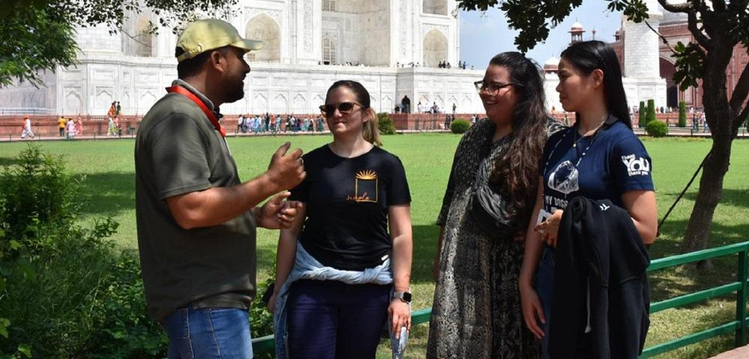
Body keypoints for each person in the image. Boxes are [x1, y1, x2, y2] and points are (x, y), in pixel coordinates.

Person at [135, 19, 307, 359]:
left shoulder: (193, 116)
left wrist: (254, 215)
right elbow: (191, 209)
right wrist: (271, 181)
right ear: (217, 60)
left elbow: (201, 202)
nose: (246, 67)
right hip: (204, 300)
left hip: (207, 299)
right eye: (240, 56)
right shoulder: (179, 118)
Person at [520, 40, 657, 358]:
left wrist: (570, 221)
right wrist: (526, 282)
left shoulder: (622, 145)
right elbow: (541, 211)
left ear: (596, 78)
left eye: (565, 76)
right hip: (552, 276)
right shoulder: (557, 142)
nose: (557, 88)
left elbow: (647, 228)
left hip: (595, 286)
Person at [269, 80, 413, 359]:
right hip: (314, 287)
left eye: (345, 107)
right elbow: (290, 232)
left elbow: (401, 234)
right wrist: (279, 289)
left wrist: (401, 295)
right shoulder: (310, 165)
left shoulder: (387, 165)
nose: (336, 114)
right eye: (329, 109)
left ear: (367, 113)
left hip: (368, 289)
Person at [428, 52, 558, 359]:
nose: (486, 92)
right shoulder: (475, 135)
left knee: (510, 345)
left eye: (495, 86)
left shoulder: (547, 136)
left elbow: (556, 203)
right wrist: (439, 254)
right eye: (483, 84)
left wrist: (535, 234)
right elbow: (452, 199)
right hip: (458, 264)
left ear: (523, 90)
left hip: (511, 268)